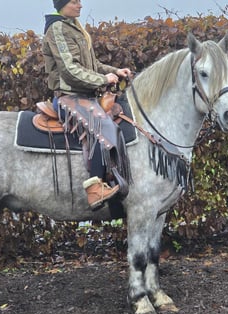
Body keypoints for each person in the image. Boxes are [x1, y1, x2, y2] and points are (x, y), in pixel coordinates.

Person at [42, 0, 132, 209]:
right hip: (69, 96)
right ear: (62, 4)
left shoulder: (74, 27)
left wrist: (115, 71)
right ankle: (94, 190)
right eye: (74, 1)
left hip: (84, 95)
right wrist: (103, 80)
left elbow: (93, 65)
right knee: (104, 127)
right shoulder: (57, 29)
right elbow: (69, 70)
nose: (80, 5)